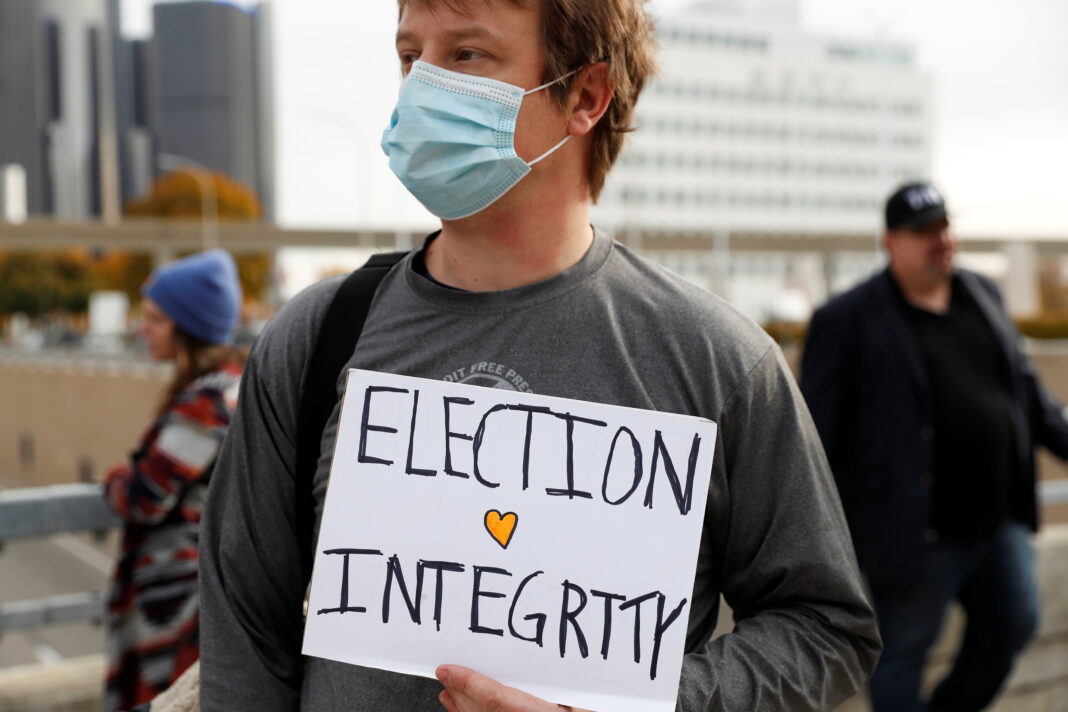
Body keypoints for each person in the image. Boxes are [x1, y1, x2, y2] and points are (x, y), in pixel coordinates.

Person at [198, 1, 881, 710]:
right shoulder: (315, 338)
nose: (422, 89)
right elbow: (242, 636)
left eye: (467, 56)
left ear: (585, 97)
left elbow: (826, 631)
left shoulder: (718, 362)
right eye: (410, 57)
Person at [800, 181, 1068, 712]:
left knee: (1014, 624)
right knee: (902, 657)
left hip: (997, 522)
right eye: (924, 231)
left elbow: (1025, 392)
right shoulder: (847, 320)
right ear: (891, 242)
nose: (940, 239)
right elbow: (814, 442)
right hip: (911, 535)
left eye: (944, 226)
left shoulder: (982, 293)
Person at [103, 250, 244, 712]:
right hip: (195, 597)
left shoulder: (205, 404)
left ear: (189, 328)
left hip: (177, 606)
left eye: (156, 319)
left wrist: (114, 481)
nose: (142, 329)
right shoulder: (232, 386)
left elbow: (145, 498)